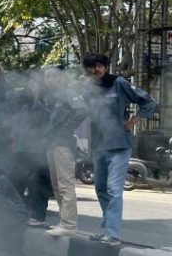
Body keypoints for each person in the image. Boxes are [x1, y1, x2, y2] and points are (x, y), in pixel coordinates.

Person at [82, 53, 157, 244]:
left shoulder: (119, 83)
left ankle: (113, 234)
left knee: (114, 189)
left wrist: (133, 121)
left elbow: (149, 102)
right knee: (100, 189)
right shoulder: (88, 89)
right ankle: (106, 229)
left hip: (119, 145)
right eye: (91, 67)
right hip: (99, 146)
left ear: (106, 67)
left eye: (99, 66)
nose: (95, 70)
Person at [43, 66, 90, 238]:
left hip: (63, 143)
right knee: (56, 186)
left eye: (54, 76)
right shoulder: (54, 98)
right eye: (47, 77)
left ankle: (69, 224)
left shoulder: (68, 92)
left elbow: (83, 110)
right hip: (53, 144)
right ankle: (64, 222)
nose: (50, 80)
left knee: (65, 185)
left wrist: (66, 128)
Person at [9, 70, 52, 226]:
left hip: (39, 150)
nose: (33, 84)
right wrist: (14, 142)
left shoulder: (48, 101)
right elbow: (17, 123)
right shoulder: (24, 102)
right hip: (22, 149)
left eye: (37, 81)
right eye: (31, 81)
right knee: (16, 181)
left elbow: (50, 121)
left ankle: (38, 217)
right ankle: (18, 213)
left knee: (38, 184)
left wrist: (37, 101)